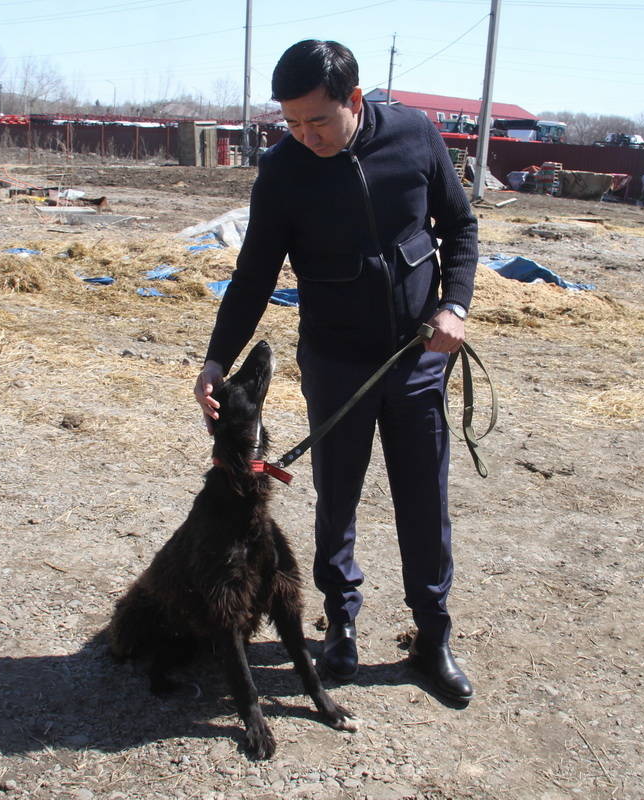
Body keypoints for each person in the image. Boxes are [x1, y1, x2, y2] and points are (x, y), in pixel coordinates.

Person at [193, 39, 479, 703]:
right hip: (334, 361)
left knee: (423, 501)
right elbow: (254, 274)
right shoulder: (285, 169)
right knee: (337, 498)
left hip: (414, 358)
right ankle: (340, 623)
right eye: (290, 122)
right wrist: (216, 359)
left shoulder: (414, 136)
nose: (304, 135)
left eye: (317, 120)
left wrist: (454, 306)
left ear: (355, 99)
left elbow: (461, 228)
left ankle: (432, 636)